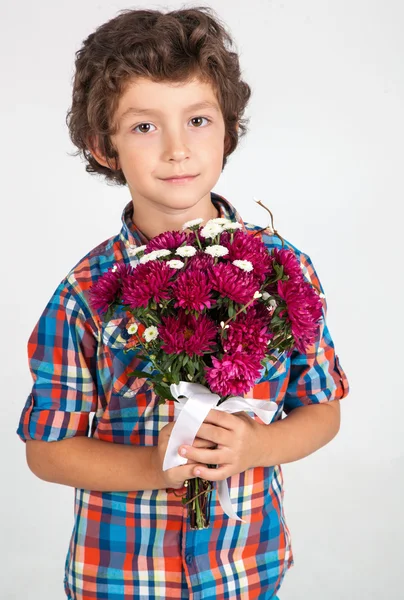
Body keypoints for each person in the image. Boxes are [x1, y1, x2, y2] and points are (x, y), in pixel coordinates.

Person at [16, 6, 350, 600]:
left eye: (198, 120)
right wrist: (156, 469)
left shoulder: (283, 269)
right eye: (144, 127)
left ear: (228, 130)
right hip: (120, 577)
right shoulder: (85, 294)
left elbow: (322, 410)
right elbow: (48, 450)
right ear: (103, 145)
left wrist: (259, 446)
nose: (177, 149)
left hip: (245, 569)